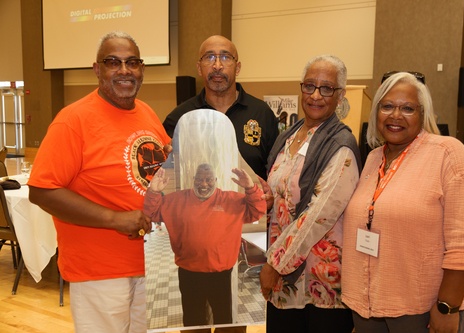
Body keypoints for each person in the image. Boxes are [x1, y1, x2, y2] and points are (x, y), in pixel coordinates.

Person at [28, 31, 171, 333]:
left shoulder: (146, 113)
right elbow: (42, 190)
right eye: (113, 62)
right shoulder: (73, 120)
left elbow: (161, 169)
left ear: (141, 69)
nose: (124, 70)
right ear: (97, 69)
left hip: (152, 262)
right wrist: (114, 219)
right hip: (100, 270)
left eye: (132, 62)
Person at [341, 72, 464, 333]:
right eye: (387, 106)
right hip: (368, 305)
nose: (395, 115)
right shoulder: (375, 157)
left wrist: (447, 307)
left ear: (423, 114)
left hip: (423, 308)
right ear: (376, 112)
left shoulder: (448, 154)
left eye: (408, 108)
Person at [258, 55, 362, 333]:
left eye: (326, 88)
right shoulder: (289, 136)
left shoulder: (341, 146)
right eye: (309, 86)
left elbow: (319, 215)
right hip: (284, 277)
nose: (316, 95)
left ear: (339, 95)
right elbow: (282, 195)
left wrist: (274, 264)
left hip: (318, 282)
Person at [143, 164, 266, 331]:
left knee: (224, 320)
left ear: (215, 180)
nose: (204, 184)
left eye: (208, 180)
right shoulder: (176, 200)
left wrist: (251, 189)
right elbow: (150, 214)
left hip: (220, 274)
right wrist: (154, 192)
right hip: (189, 273)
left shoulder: (231, 200)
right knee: (193, 321)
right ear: (193, 180)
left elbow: (258, 211)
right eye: (199, 179)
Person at [163, 35, 279, 181]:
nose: (217, 66)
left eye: (226, 57)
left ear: (237, 68)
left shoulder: (262, 114)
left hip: (250, 203)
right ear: (199, 68)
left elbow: (276, 172)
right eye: (209, 57)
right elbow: (168, 177)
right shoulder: (180, 118)